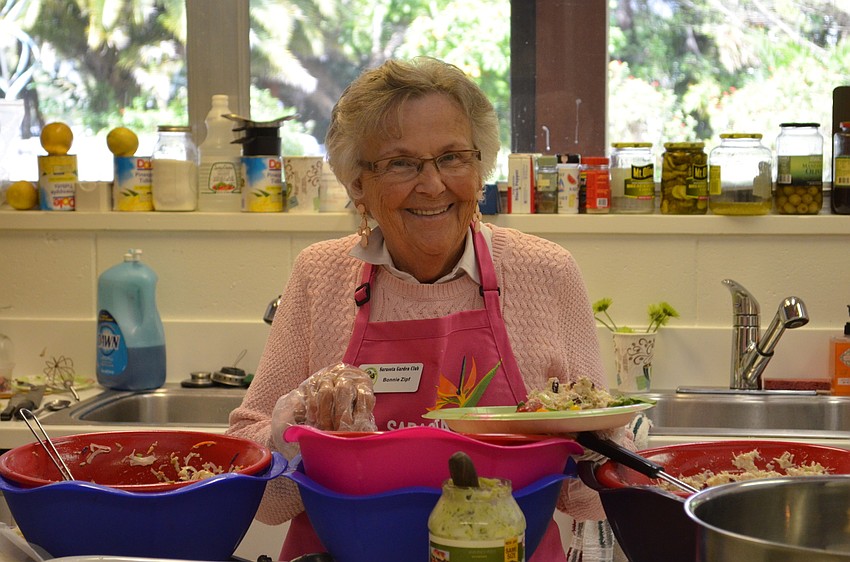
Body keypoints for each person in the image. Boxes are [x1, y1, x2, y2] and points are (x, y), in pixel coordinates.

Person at [227, 56, 623, 562]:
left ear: (480, 169)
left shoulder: (546, 271)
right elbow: (257, 489)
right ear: (357, 185)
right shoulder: (319, 274)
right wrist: (290, 436)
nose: (433, 184)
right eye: (401, 163)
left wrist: (610, 446)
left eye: (453, 157)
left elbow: (583, 498)